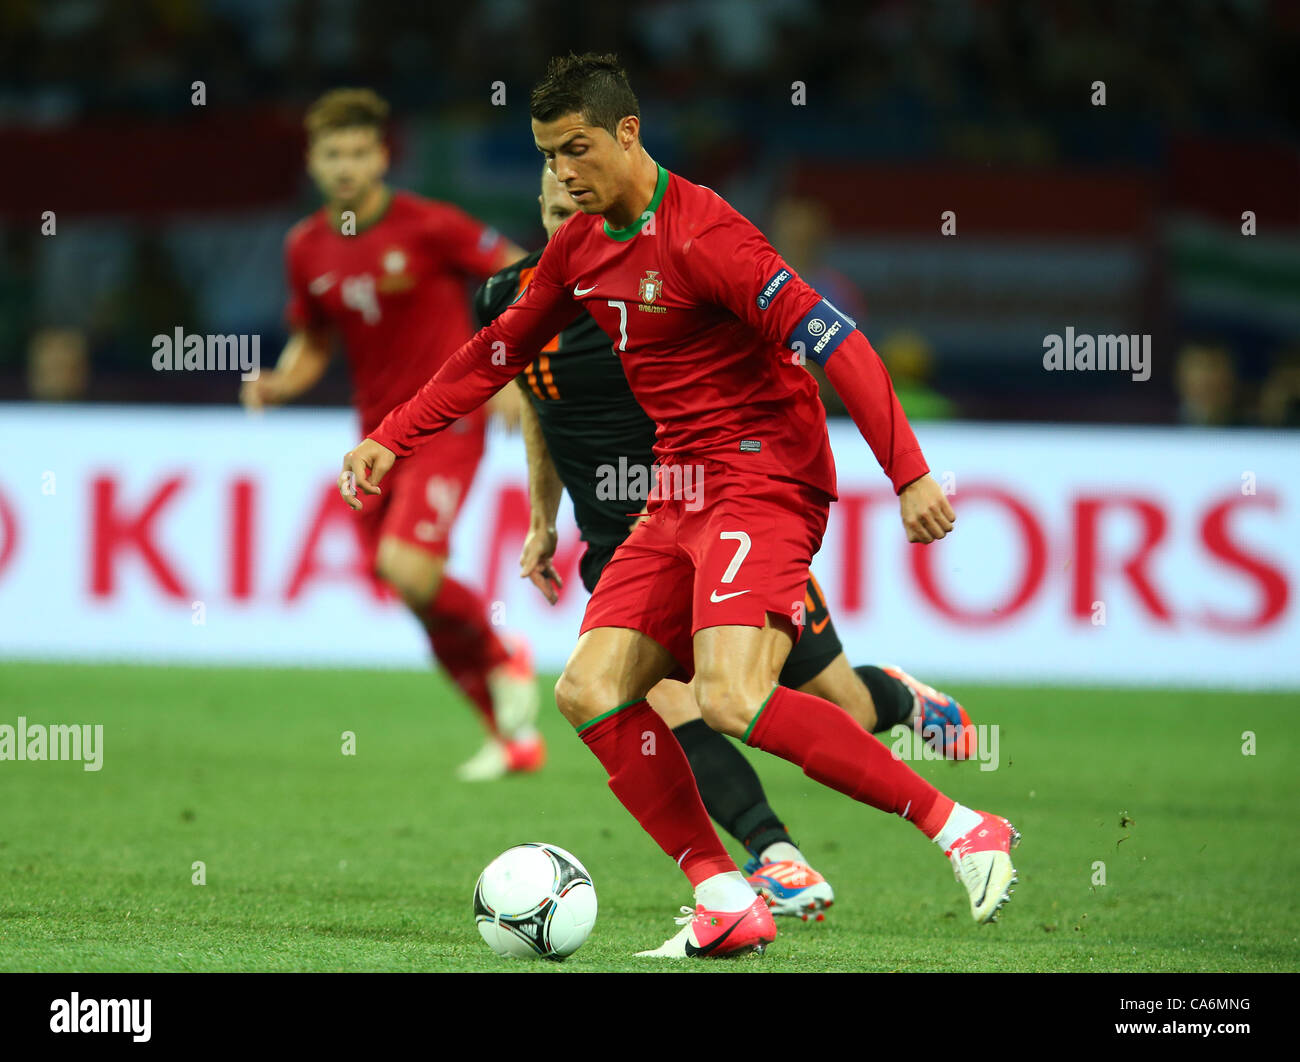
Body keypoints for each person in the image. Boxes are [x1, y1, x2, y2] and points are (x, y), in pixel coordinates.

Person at [340, 55, 1019, 958]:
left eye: (575, 150)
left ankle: (963, 828)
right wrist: (396, 434)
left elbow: (840, 343)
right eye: (546, 156)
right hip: (679, 487)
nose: (561, 173)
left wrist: (910, 473)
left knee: (733, 697)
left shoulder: (710, 237)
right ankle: (724, 894)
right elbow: (498, 355)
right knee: (590, 690)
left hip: (764, 477)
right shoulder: (579, 245)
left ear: (627, 133)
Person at [472, 165, 980, 921]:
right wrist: (545, 520)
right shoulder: (512, 298)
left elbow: (765, 358)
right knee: (666, 702)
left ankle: (897, 698)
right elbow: (540, 412)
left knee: (835, 706)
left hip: (726, 517)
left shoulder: (651, 286)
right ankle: (773, 859)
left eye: (575, 203)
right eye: (550, 210)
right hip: (628, 540)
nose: (565, 223)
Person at [243, 87, 542, 781]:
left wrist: (506, 373)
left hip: (447, 417)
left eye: (358, 152)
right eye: (331, 154)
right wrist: (281, 382)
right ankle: (510, 736)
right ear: (314, 162)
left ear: (381, 156)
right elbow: (313, 344)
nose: (345, 165)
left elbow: (530, 278)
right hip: (374, 435)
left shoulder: (430, 225)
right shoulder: (306, 247)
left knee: (408, 569)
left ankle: (504, 658)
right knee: (405, 585)